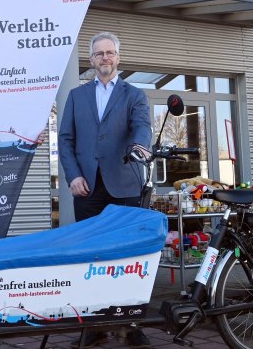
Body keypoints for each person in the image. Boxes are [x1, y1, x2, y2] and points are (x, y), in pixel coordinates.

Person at [59, 32, 153, 348]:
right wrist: (72, 176)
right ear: (91, 60)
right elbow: (66, 140)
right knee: (89, 257)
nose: (104, 58)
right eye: (99, 54)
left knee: (129, 256)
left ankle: (130, 323)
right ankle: (94, 326)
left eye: (110, 52)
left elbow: (142, 125)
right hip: (87, 187)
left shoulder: (134, 95)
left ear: (118, 57)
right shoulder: (76, 96)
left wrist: (140, 145)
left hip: (125, 184)